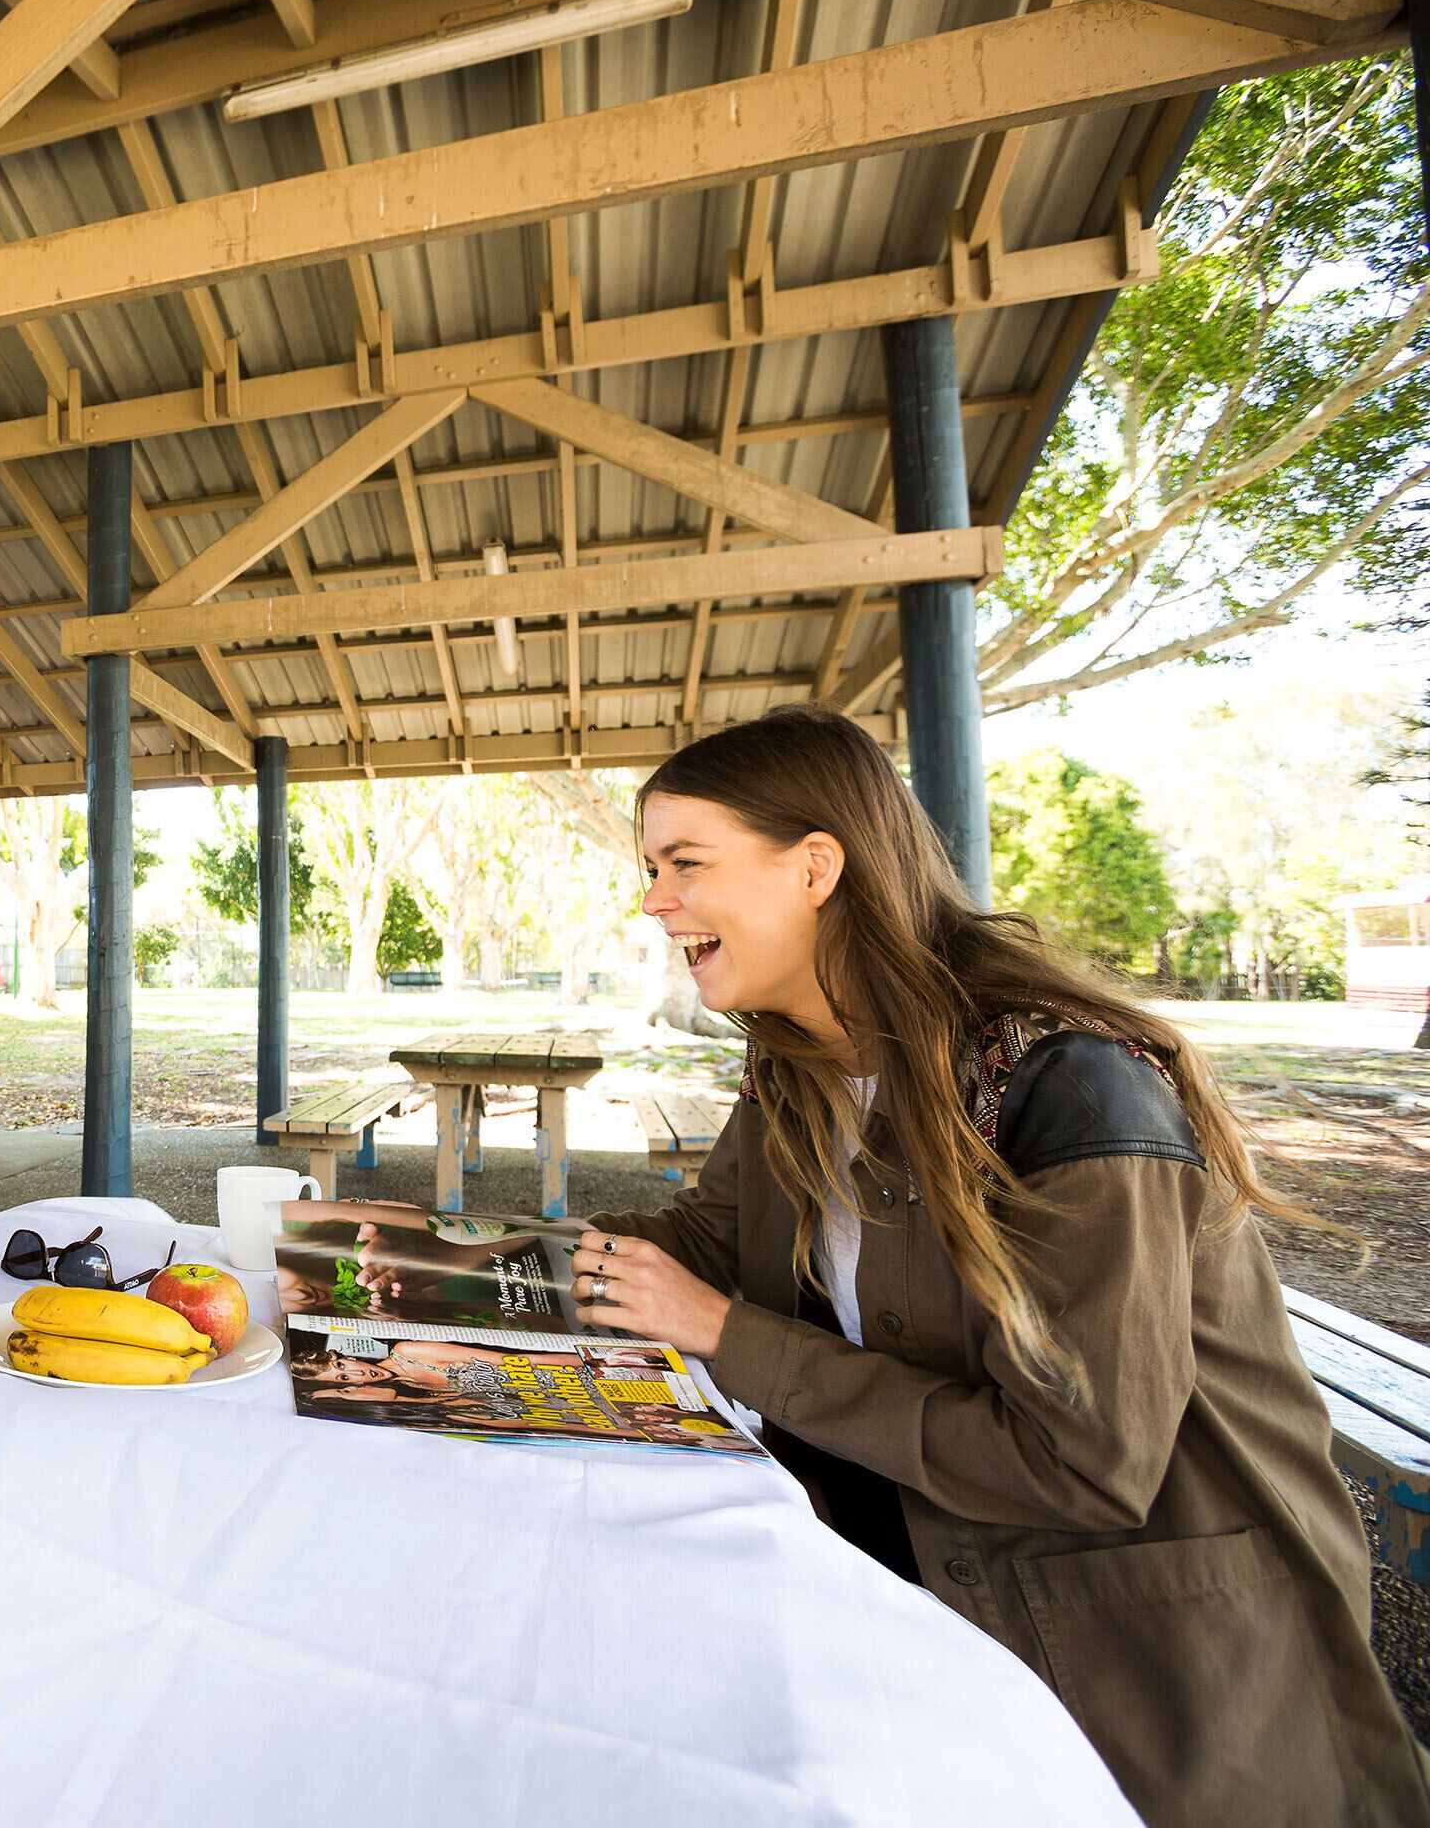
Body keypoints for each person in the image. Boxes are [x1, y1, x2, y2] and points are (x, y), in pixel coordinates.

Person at [571, 703, 1425, 1828]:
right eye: (651, 867)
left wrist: (729, 1335)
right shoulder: (799, 1071)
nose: (653, 899)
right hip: (913, 1598)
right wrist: (434, 1259)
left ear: (817, 866)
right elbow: (705, 1246)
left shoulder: (1066, 1088)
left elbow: (1085, 1465)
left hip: (1141, 1672)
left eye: (685, 863)